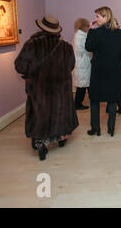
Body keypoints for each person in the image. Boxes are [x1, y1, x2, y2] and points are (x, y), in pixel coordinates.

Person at [14, 15, 79, 161]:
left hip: (39, 89)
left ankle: (41, 146)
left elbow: (20, 66)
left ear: (41, 28)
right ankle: (61, 138)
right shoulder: (65, 47)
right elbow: (71, 66)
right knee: (60, 110)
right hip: (61, 88)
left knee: (40, 114)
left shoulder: (31, 45)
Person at [85, 6, 121, 137]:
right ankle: (111, 129)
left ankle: (95, 129)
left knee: (94, 100)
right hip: (113, 71)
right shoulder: (119, 32)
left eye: (98, 16)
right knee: (112, 100)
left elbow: (88, 47)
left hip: (98, 71)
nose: (96, 19)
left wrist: (91, 31)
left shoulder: (97, 32)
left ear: (105, 17)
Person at [72, 18, 91, 110]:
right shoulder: (81, 36)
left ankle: (79, 103)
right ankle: (77, 104)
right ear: (84, 26)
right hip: (82, 64)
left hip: (81, 63)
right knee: (82, 86)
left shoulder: (79, 35)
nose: (88, 28)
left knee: (84, 85)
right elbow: (86, 49)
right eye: (87, 26)